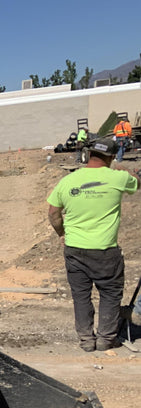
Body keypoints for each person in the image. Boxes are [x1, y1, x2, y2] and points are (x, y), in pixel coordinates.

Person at [47, 137, 140, 351]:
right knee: (110, 293)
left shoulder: (68, 181)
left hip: (75, 249)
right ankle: (106, 339)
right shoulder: (118, 178)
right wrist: (125, 170)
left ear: (89, 154)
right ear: (111, 156)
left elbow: (53, 213)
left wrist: (62, 234)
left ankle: (86, 341)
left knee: (81, 296)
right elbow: (137, 183)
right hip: (105, 250)